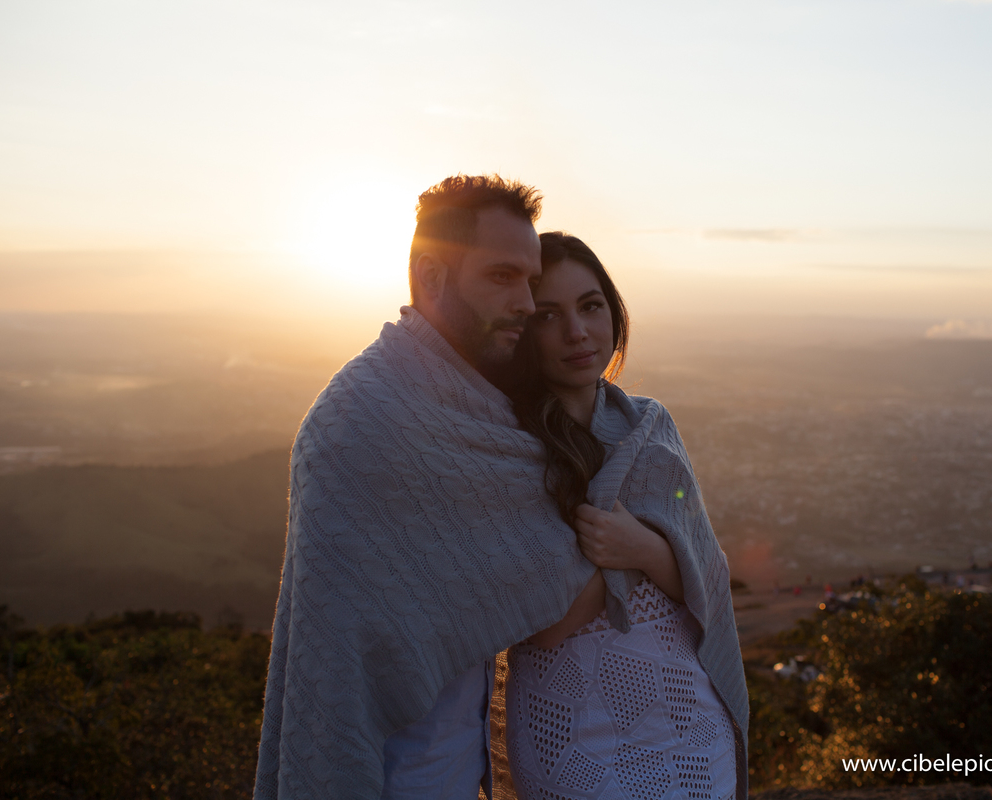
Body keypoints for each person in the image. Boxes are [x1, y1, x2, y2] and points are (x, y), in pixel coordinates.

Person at [256, 175, 602, 799]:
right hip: (391, 778)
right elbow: (341, 666)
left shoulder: (480, 405)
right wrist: (642, 549)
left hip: (460, 769)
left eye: (529, 280)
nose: (526, 302)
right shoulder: (360, 418)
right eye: (502, 276)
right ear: (432, 276)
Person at [503, 233, 748, 799]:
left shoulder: (651, 427)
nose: (577, 331)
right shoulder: (506, 446)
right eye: (548, 315)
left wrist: (642, 549)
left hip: (688, 715)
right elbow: (544, 624)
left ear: (613, 311)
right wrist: (630, 560)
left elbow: (707, 574)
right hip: (570, 725)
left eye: (591, 306)